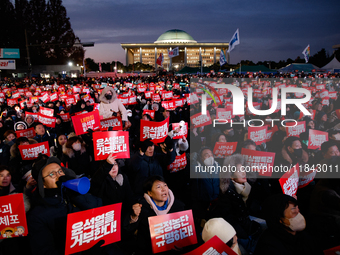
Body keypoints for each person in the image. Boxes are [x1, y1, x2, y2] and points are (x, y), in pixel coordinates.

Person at [27, 156, 102, 255]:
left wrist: (75, 193)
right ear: (43, 184)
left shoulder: (70, 196)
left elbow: (97, 207)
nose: (59, 176)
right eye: (52, 174)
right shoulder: (36, 216)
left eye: (60, 171)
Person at [254, 194, 320, 255]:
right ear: (280, 220)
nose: (299, 215)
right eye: (294, 213)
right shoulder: (268, 248)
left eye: (298, 210)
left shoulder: (303, 236)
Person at [134, 175, 185, 255]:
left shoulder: (179, 207)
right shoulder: (141, 209)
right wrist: (133, 217)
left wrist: (184, 246)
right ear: (150, 193)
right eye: (158, 187)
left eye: (165, 185)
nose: (164, 189)